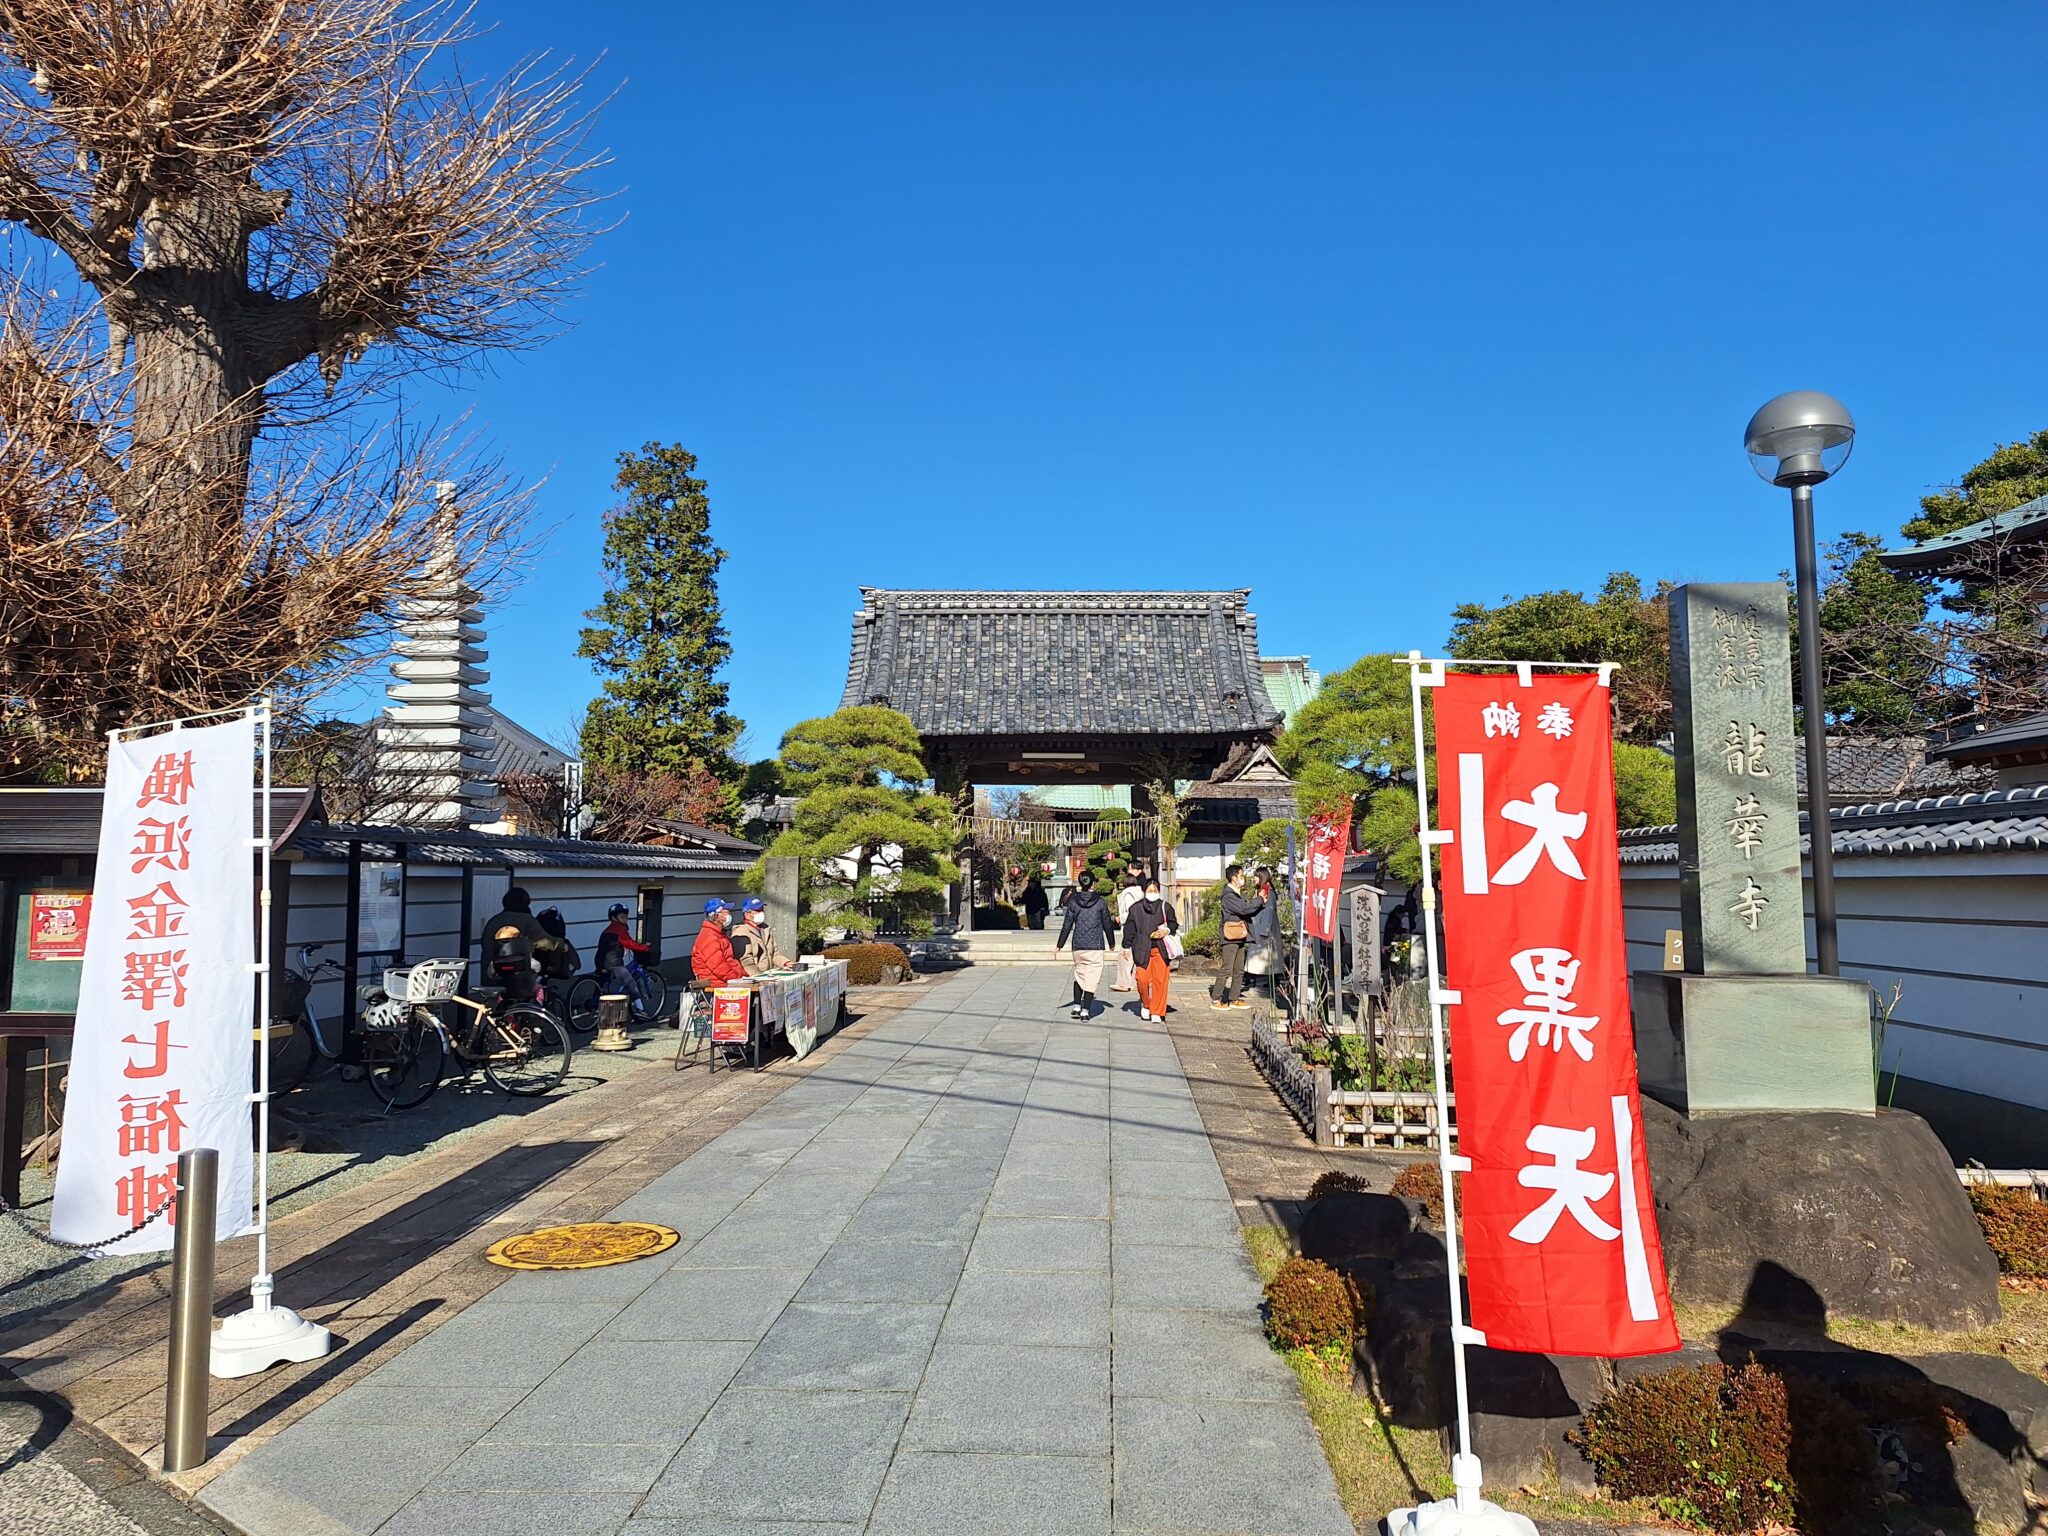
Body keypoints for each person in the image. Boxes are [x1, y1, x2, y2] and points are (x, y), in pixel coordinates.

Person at [1053, 871, 1117, 1020]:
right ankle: (1085, 1011)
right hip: (1095, 945)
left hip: (1078, 945)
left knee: (1080, 975)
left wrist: (1059, 945)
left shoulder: (1073, 902)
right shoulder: (1100, 902)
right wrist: (1111, 942)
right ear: (1093, 883)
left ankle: (1076, 1006)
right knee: (1091, 979)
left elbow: (1067, 925)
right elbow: (1107, 923)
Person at [1122, 875, 1179, 1023]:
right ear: (1144, 891)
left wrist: (1166, 930)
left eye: (1155, 890)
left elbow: (1173, 923)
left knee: (1160, 981)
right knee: (1142, 979)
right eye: (1149, 890)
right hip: (1141, 948)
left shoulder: (1165, 907)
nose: (1152, 893)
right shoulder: (1135, 909)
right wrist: (1126, 946)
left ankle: (1157, 1011)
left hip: (1161, 949)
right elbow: (1129, 929)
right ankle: (1146, 1004)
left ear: (1159, 891)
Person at [1211, 863, 1266, 1010]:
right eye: (1241, 875)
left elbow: (1248, 910)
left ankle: (1234, 998)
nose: (1243, 878)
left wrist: (1259, 902)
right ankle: (1216, 999)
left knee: (1239, 969)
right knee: (1227, 968)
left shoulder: (1237, 894)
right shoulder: (1228, 895)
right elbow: (1244, 908)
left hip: (1240, 934)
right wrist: (1259, 900)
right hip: (1230, 936)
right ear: (1234, 878)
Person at [479, 885, 547, 1001]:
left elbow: (485, 944)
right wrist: (562, 945)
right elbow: (544, 941)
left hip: (491, 976)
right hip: (518, 980)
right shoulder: (527, 920)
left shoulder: (494, 921)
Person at [596, 901, 653, 1015]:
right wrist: (645, 947)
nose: (625, 919)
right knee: (630, 982)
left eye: (626, 917)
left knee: (605, 984)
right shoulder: (618, 929)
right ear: (614, 918)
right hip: (614, 963)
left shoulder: (607, 930)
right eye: (622, 917)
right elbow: (629, 943)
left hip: (600, 961)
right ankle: (640, 1010)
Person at [689, 898, 748, 987]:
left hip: (725, 981)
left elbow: (729, 961)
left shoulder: (718, 934)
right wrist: (737, 979)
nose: (729, 915)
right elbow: (719, 967)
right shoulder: (709, 937)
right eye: (726, 912)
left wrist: (743, 976)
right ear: (717, 916)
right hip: (717, 985)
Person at [733, 896, 794, 974]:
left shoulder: (766, 929)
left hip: (767, 974)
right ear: (747, 915)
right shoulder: (741, 932)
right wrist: (757, 976)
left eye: (762, 910)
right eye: (758, 910)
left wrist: (786, 963)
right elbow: (745, 961)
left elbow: (775, 954)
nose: (762, 913)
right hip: (753, 976)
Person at [1111, 873, 1144, 992]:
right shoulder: (1140, 893)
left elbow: (1131, 913)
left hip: (1130, 927)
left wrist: (1121, 918)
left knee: (1124, 956)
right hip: (1140, 928)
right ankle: (1135, 982)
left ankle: (1123, 983)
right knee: (1134, 956)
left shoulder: (1128, 894)